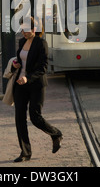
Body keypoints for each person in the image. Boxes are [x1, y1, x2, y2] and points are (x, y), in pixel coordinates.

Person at [11, 17, 62, 163]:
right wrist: (15, 65)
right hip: (20, 84)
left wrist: (28, 77)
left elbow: (43, 68)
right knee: (19, 118)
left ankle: (56, 134)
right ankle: (25, 152)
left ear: (34, 29)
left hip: (36, 85)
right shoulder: (21, 42)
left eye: (26, 30)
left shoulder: (41, 44)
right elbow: (20, 61)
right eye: (22, 29)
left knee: (35, 117)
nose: (23, 32)